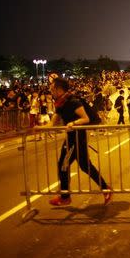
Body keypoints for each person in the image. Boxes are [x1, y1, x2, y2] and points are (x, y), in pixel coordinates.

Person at [40, 77, 112, 206]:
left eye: (52, 89)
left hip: (76, 138)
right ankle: (106, 189)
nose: (50, 91)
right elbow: (52, 123)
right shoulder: (60, 103)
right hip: (73, 138)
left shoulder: (73, 102)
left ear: (58, 89)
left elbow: (85, 118)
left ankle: (65, 197)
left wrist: (73, 123)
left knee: (63, 165)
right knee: (85, 166)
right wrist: (38, 128)